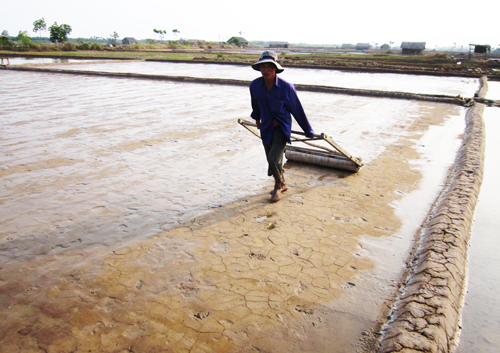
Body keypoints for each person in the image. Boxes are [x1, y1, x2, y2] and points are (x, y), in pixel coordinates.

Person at [249, 51, 315, 202]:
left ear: (276, 68)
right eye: (263, 67)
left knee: (273, 158)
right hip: (266, 128)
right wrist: (257, 119)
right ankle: (283, 181)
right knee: (272, 160)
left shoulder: (286, 88)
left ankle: (277, 186)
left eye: (269, 67)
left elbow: (297, 109)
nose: (266, 70)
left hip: (281, 128)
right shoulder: (255, 85)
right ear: (259, 69)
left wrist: (308, 130)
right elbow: (255, 104)